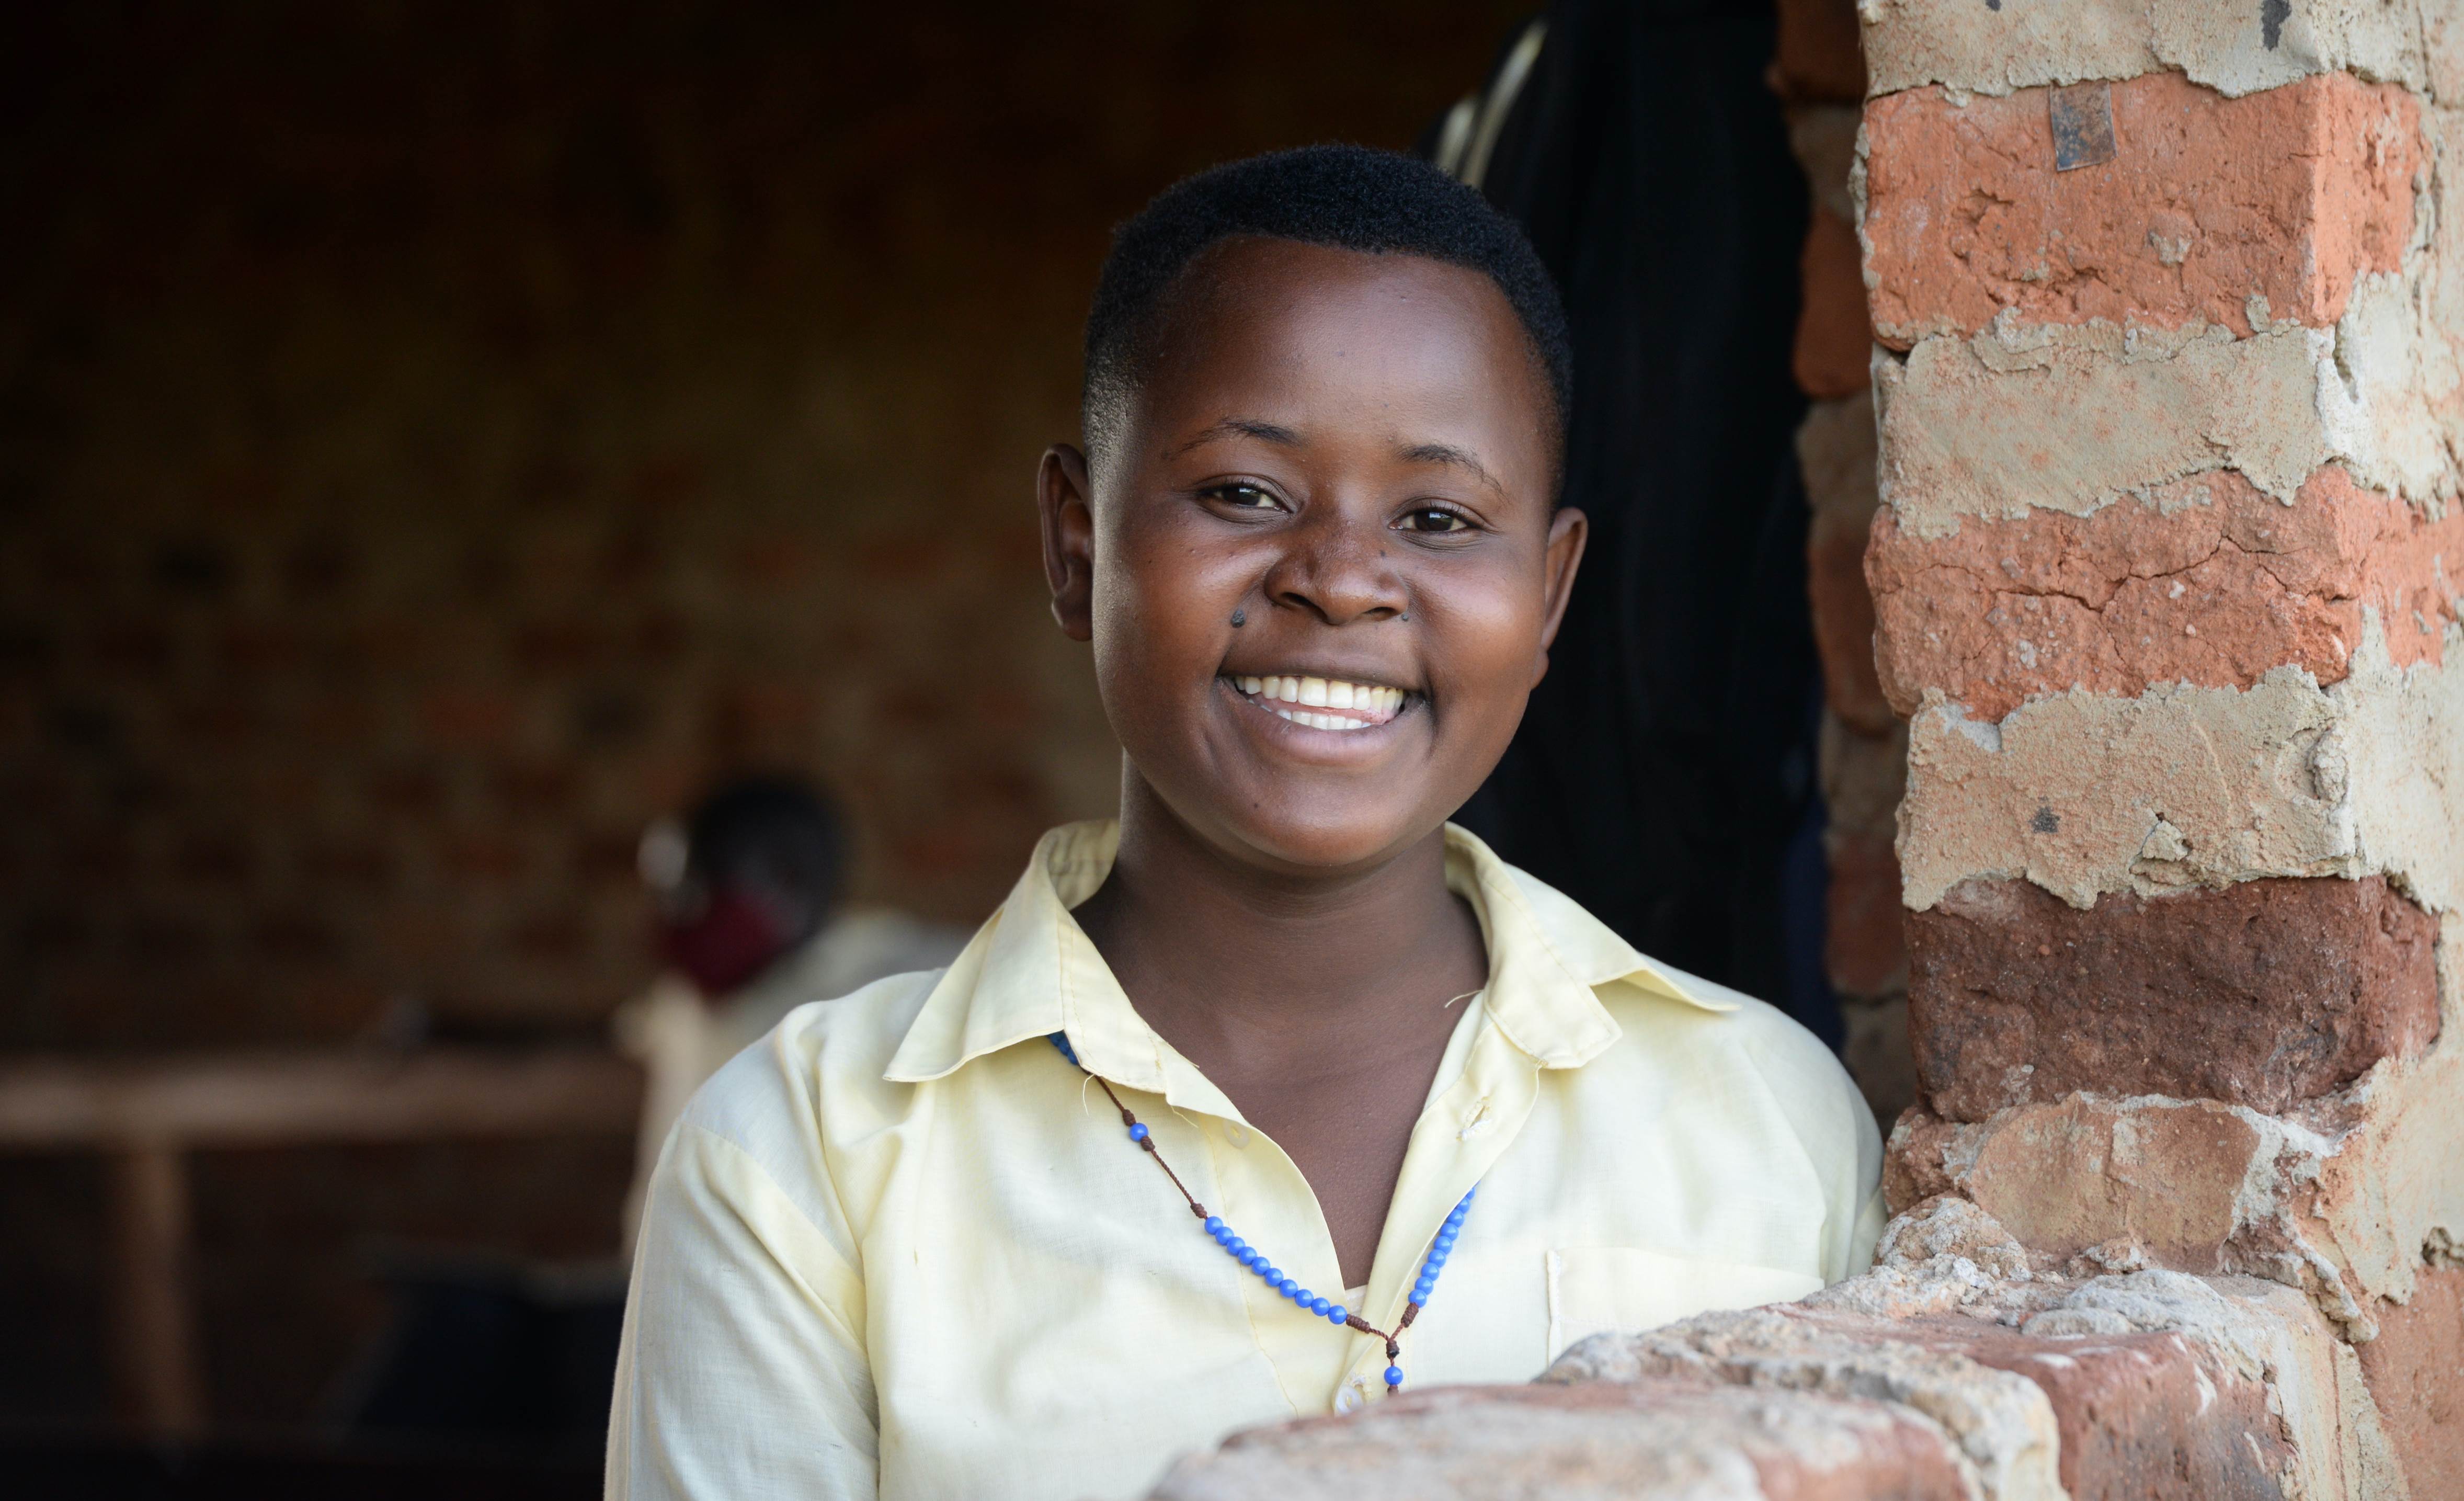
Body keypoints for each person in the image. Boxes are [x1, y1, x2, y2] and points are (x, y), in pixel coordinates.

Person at [607, 146, 1883, 1501]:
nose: (1340, 579)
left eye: (1440, 516)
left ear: (1551, 594)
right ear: (1076, 541)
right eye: (1244, 493)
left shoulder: (1765, 1120)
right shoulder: (810, 1161)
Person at [612, 777, 965, 1246]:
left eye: (701, 895)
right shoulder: (686, 1003)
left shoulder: (891, 986)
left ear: (787, 883)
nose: (679, 920)